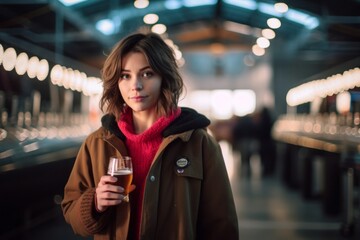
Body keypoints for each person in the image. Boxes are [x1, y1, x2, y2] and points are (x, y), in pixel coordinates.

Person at [61, 32, 239, 240]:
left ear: (164, 77)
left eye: (147, 74)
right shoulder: (98, 143)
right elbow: (71, 209)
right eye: (125, 76)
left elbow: (221, 225)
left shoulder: (199, 142)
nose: (135, 85)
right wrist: (94, 203)